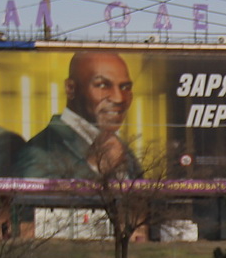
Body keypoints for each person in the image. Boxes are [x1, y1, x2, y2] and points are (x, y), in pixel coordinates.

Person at [15, 51, 143, 180]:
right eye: (102, 85)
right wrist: (94, 167)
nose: (119, 98)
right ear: (70, 88)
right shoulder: (39, 152)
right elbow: (33, 199)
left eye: (125, 87)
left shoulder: (122, 149)